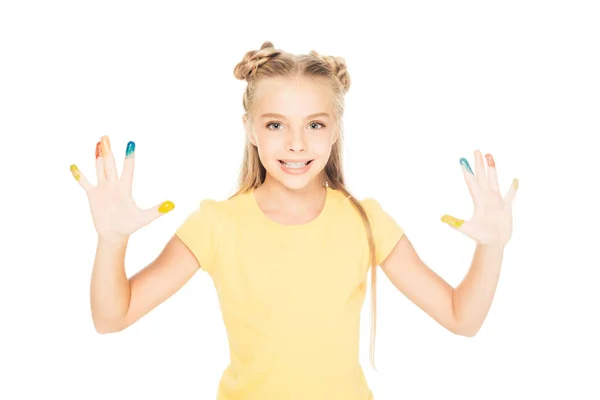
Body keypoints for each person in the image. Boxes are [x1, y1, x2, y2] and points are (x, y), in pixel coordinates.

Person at [70, 41, 518, 400]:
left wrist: (492, 246)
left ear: (336, 128)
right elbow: (113, 317)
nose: (297, 144)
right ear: (249, 128)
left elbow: (462, 318)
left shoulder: (366, 221)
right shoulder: (216, 224)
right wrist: (111, 240)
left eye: (315, 125)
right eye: (276, 125)